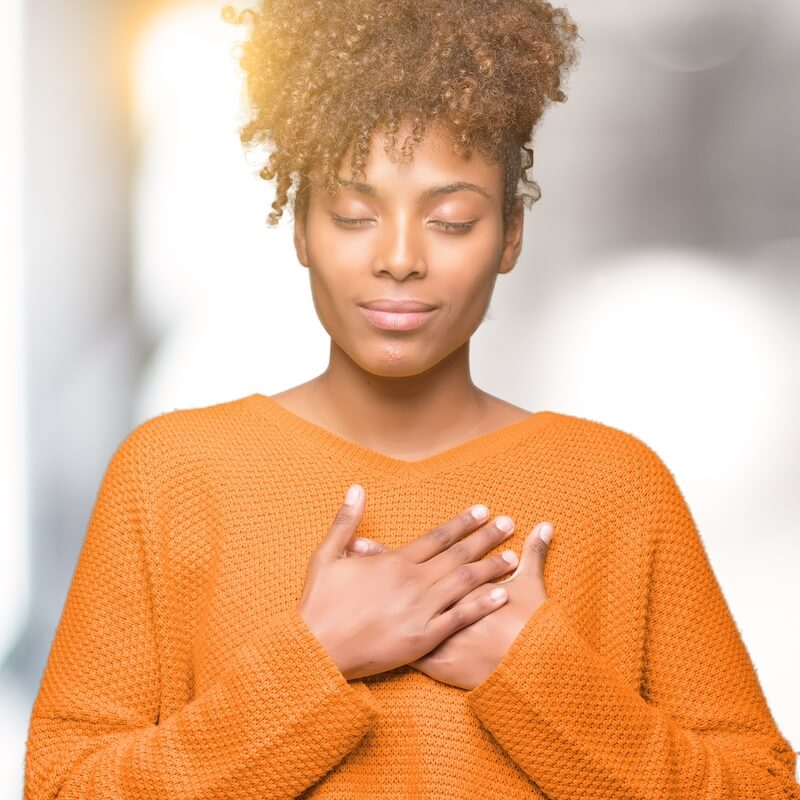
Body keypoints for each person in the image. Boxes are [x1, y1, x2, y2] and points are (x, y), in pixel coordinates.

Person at [24, 0, 799, 798]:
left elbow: (762, 788)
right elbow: (62, 787)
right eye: (355, 214)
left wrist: (532, 671)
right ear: (299, 229)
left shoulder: (616, 487)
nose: (399, 258)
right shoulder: (171, 477)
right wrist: (314, 659)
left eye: (453, 220)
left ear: (510, 235)